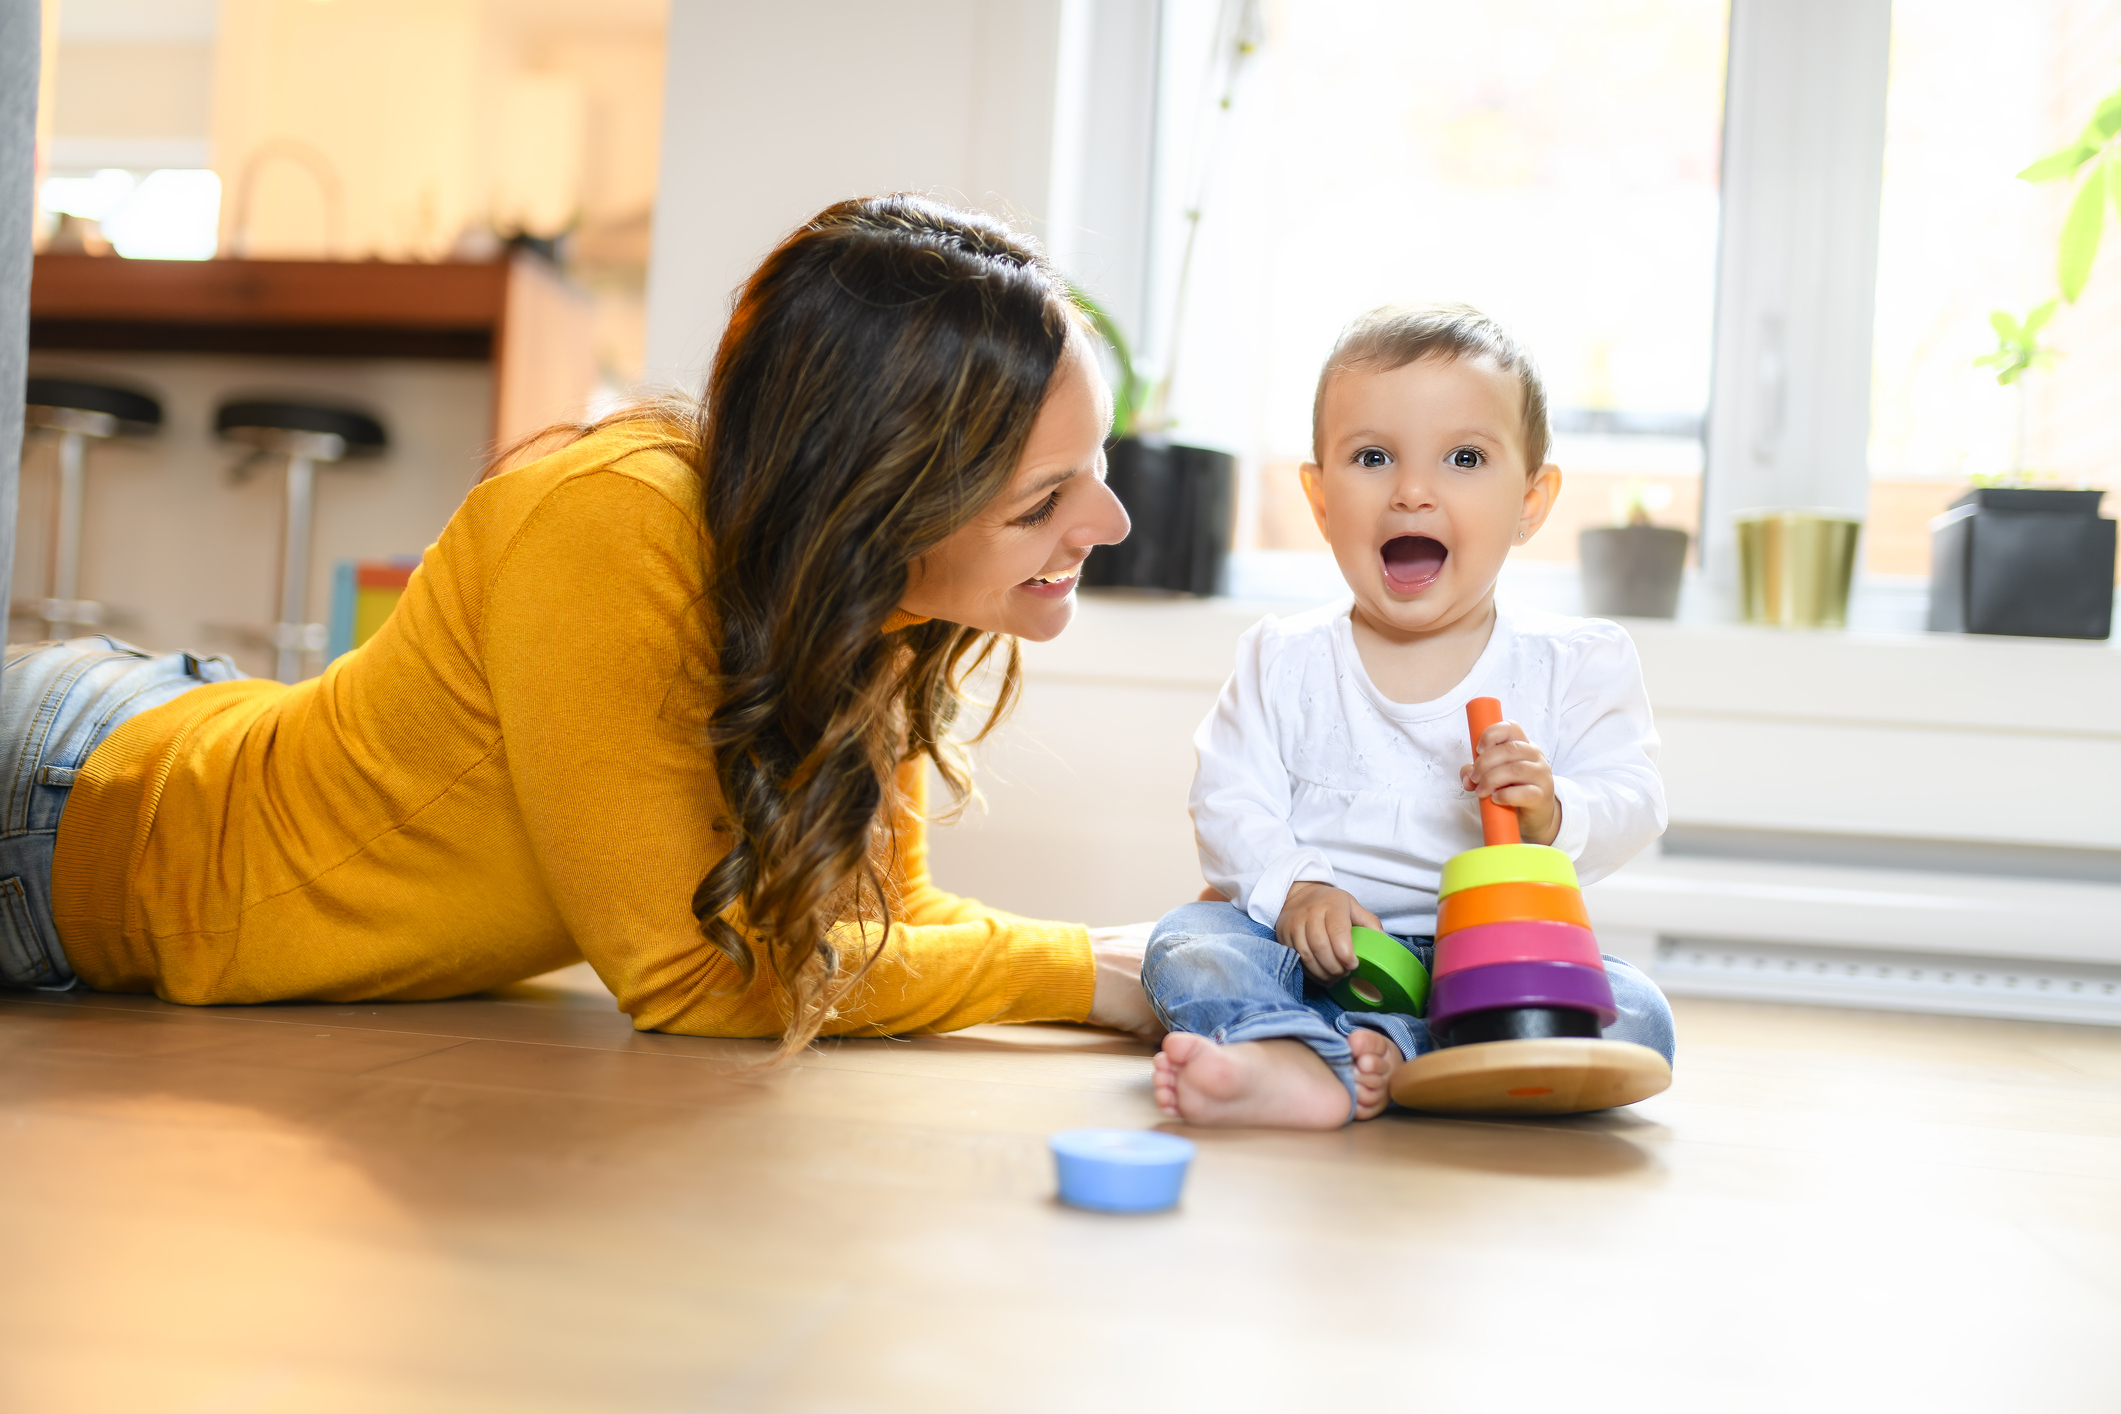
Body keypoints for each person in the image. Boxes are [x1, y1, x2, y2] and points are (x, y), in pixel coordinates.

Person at [0, 195, 1163, 1055]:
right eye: (1042, 499)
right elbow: (685, 977)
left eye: (1095, 468)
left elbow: (880, 924)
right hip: (70, 824)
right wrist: (1080, 975)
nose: (1105, 523)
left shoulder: (864, 596)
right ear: (873, 500)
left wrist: (1129, 956)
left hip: (161, 728)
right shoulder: (614, 522)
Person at [1143, 303, 1676, 1128]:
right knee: (1188, 946)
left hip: (1491, 960)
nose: (1413, 492)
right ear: (1320, 499)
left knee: (1636, 1013)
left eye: (1464, 457)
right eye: (1372, 457)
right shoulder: (1282, 656)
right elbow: (1228, 801)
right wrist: (1295, 888)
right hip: (1312, 950)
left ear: (1531, 501)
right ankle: (1301, 1052)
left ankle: (1382, 1053)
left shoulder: (1576, 661)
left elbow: (1634, 801)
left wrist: (1552, 808)